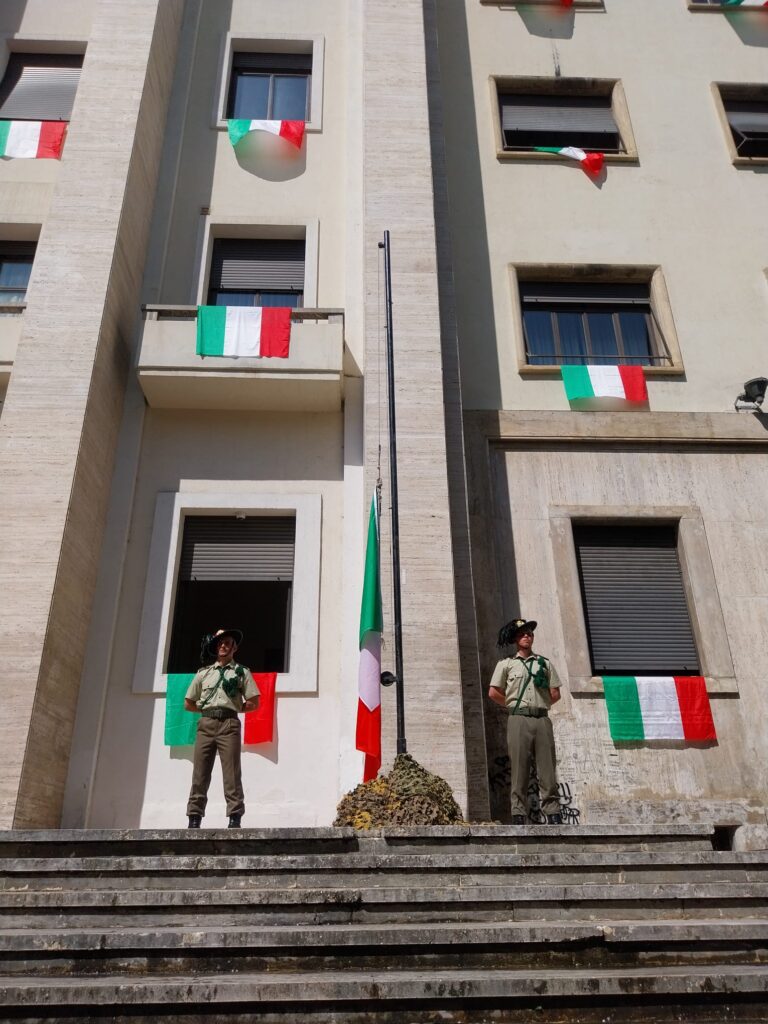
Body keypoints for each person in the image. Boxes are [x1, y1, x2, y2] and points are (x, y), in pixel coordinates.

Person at [488, 617, 563, 825]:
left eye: (529, 634)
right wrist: (513, 705)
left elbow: (555, 693)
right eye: (522, 634)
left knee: (547, 768)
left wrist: (541, 704)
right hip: (518, 719)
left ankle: (553, 811)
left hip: (541, 718)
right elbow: (493, 692)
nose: (527, 637)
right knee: (519, 767)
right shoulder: (506, 664)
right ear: (515, 639)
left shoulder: (544, 663)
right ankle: (518, 812)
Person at [184, 628, 260, 829]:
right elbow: (188, 703)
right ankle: (194, 817)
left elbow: (254, 702)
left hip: (229, 724)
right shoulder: (204, 673)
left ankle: (235, 816)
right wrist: (206, 709)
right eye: (220, 643)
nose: (223, 646)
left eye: (227, 643)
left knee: (232, 773)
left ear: (234, 647)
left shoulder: (241, 672)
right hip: (206, 724)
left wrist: (234, 707)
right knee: (200, 773)